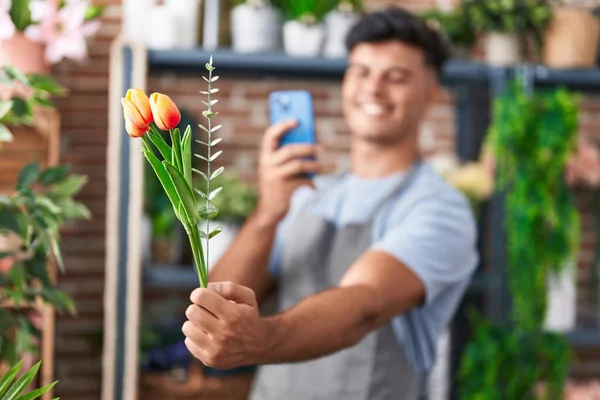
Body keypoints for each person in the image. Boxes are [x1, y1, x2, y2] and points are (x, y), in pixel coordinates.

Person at [180, 5, 600, 400]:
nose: (373, 89)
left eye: (396, 76)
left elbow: (364, 304)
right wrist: (268, 214)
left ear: (431, 92)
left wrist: (262, 339)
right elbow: (218, 295)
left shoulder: (440, 208)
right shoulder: (309, 193)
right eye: (361, 71)